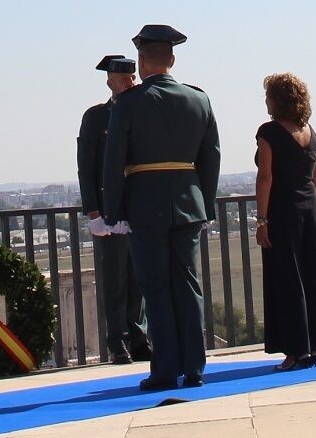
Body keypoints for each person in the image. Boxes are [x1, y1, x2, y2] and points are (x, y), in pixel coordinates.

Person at [102, 24, 219, 393]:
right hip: (188, 203)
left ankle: (165, 368)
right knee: (188, 285)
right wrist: (206, 204)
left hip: (145, 203)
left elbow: (113, 161)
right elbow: (210, 157)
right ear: (172, 59)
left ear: (141, 60)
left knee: (155, 287)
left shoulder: (130, 103)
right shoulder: (198, 99)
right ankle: (195, 366)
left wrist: (114, 212)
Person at [77, 54, 149, 365]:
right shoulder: (96, 117)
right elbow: (86, 167)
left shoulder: (144, 112)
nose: (130, 83)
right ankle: (117, 342)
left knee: (139, 278)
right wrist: (94, 212)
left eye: (132, 78)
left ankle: (139, 339)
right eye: (123, 79)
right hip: (110, 210)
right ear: (110, 82)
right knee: (115, 278)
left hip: (139, 207)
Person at [254, 72, 316, 371]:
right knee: (308, 276)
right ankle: (312, 344)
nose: (266, 101)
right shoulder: (310, 133)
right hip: (308, 208)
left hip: (282, 210)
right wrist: (312, 209)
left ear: (277, 99)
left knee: (287, 278)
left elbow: (265, 176)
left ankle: (295, 351)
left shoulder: (268, 132)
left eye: (268, 95)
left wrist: (261, 219)